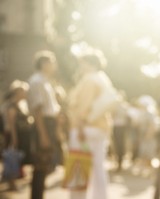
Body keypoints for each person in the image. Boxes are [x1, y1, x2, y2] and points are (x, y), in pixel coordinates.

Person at [68, 50, 114, 199]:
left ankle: (77, 197)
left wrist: (80, 127)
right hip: (100, 129)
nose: (80, 66)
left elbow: (83, 106)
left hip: (85, 129)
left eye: (82, 63)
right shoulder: (103, 79)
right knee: (98, 168)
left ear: (89, 64)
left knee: (79, 165)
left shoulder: (88, 80)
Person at [27, 51, 61, 199]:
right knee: (40, 166)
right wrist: (43, 134)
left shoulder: (45, 81)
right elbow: (38, 110)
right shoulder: (37, 81)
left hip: (49, 123)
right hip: (44, 125)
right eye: (51, 62)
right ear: (43, 63)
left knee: (45, 165)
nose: (54, 65)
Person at [2, 80, 32, 190]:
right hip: (12, 135)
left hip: (17, 135)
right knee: (11, 157)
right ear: (17, 92)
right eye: (23, 92)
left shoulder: (20, 105)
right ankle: (11, 183)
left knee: (15, 157)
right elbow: (11, 124)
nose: (25, 94)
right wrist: (14, 139)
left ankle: (13, 181)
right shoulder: (11, 106)